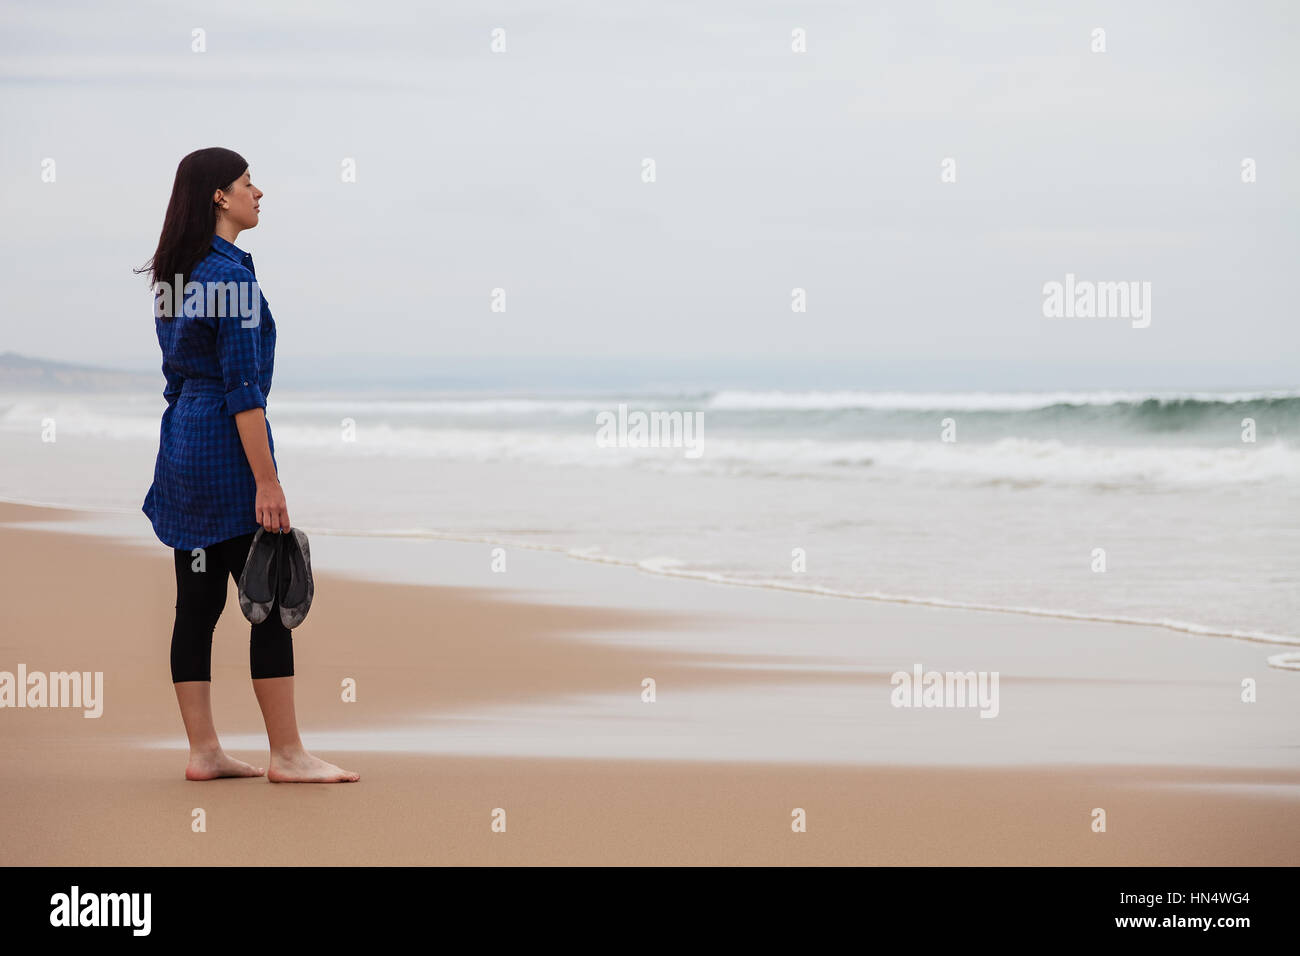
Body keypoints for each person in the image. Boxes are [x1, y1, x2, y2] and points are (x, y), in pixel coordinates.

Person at [138, 147, 358, 783]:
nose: (258, 193)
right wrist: (267, 479)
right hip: (227, 453)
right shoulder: (231, 279)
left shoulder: (174, 274)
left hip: (182, 443)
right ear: (218, 197)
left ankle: (204, 752)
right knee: (270, 596)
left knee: (196, 606)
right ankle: (287, 756)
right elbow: (242, 391)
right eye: (246, 183)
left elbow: (179, 378)